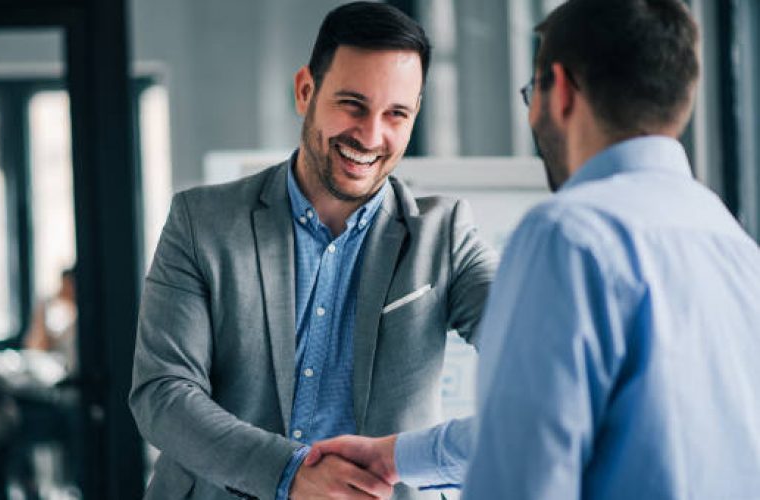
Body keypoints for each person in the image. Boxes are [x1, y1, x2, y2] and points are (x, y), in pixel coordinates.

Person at [307, 0, 760, 498]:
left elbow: (524, 473)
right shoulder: (735, 247)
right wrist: (396, 456)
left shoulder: (568, 234)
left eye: (532, 92)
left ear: (560, 90)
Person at [128, 2, 497, 499]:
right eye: (352, 104)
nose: (370, 136)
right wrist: (290, 473)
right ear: (306, 90)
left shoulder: (445, 235)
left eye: (396, 114)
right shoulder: (203, 223)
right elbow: (163, 395)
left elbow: (540, 360)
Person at [24, 266, 78, 375]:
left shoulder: (80, 325)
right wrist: (42, 308)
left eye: (65, 285)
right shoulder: (69, 323)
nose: (61, 290)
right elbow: (37, 347)